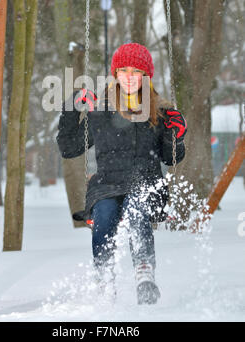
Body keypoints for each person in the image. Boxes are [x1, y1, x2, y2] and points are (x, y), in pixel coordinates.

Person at [56, 42, 187, 305]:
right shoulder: (101, 109)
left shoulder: (158, 111)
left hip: (145, 183)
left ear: (146, 77)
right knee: (104, 215)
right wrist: (72, 108)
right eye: (123, 70)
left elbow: (170, 157)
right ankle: (105, 277)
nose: (129, 77)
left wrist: (176, 136)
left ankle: (144, 272)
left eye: (136, 71)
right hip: (107, 184)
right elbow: (69, 148)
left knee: (136, 207)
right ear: (115, 74)